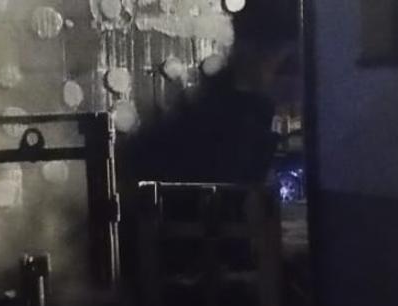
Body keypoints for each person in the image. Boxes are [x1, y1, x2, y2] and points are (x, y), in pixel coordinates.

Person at [120, 0, 301, 186]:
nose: (294, 85)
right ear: (248, 49)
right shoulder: (211, 123)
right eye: (288, 67)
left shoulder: (215, 109)